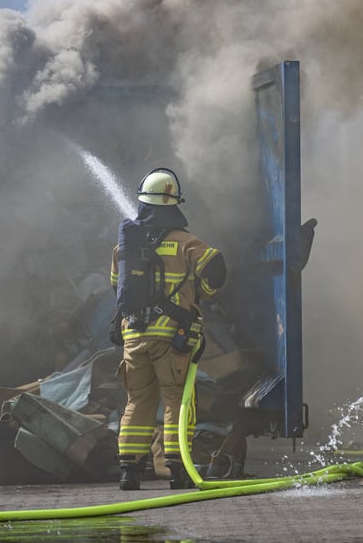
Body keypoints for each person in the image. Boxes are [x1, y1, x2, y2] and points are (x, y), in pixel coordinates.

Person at [110, 167, 227, 490]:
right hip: (171, 338)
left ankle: (128, 473)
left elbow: (116, 289)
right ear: (174, 204)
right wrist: (203, 293)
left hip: (133, 335)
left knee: (137, 401)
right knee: (177, 400)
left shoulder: (125, 247)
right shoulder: (186, 242)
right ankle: (178, 471)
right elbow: (217, 269)